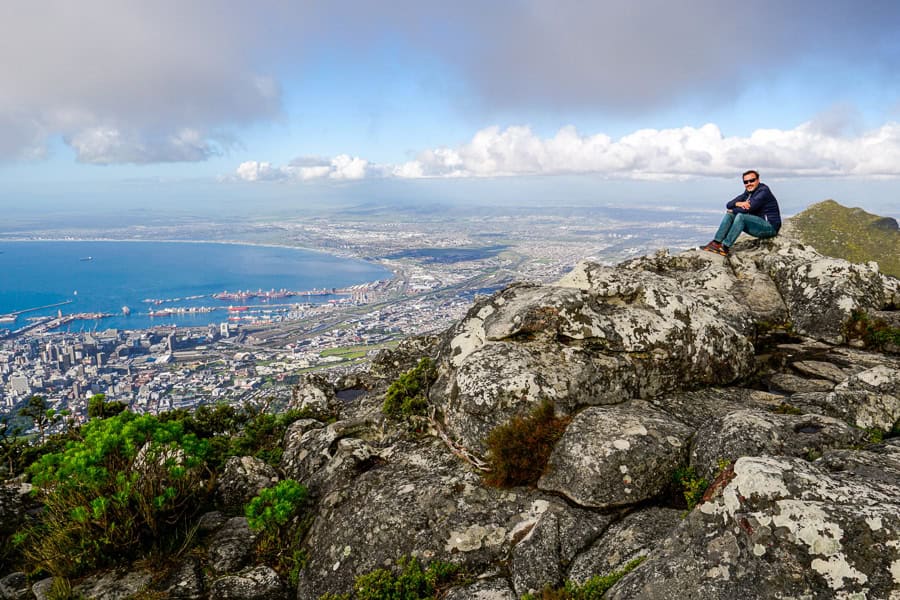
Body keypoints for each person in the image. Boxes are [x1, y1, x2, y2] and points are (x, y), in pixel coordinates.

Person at [701, 170, 781, 256]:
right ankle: (716, 243)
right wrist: (738, 203)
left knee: (740, 216)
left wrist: (734, 210)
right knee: (730, 215)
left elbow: (748, 208)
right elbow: (728, 205)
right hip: (757, 224)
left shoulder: (763, 191)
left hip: (769, 228)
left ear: (758, 180)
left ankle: (725, 247)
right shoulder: (748, 193)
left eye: (752, 180)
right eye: (746, 182)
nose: (749, 183)